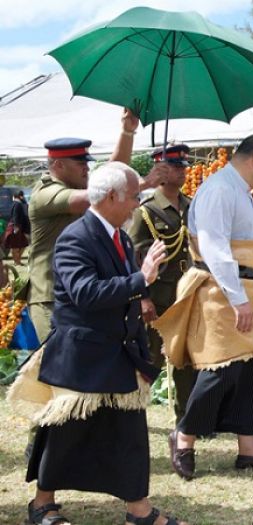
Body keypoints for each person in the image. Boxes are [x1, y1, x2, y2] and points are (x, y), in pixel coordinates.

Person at [9, 162, 187, 525]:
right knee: (65, 434)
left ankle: (139, 511)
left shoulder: (120, 237)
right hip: (82, 355)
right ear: (111, 197)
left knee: (130, 433)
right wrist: (141, 278)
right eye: (135, 196)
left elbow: (124, 292)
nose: (138, 204)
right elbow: (85, 293)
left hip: (118, 352)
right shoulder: (75, 238)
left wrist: (143, 284)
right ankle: (42, 505)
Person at [153, 135, 253, 480]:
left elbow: (252, 221)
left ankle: (249, 450)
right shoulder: (219, 189)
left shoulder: (236, 189)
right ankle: (184, 437)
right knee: (220, 369)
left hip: (245, 287)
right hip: (222, 290)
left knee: (250, 369)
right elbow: (215, 247)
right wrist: (237, 299)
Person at [27, 108, 163, 343]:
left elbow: (111, 177)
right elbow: (100, 193)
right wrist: (142, 184)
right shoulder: (44, 194)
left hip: (87, 291)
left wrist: (127, 132)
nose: (87, 168)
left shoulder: (103, 196)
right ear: (58, 165)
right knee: (59, 367)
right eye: (79, 163)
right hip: (51, 297)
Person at [127, 144, 196, 424]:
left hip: (186, 295)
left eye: (183, 167)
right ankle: (132, 416)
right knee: (149, 360)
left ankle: (188, 420)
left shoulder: (191, 205)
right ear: (161, 171)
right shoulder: (146, 211)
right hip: (156, 298)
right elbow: (134, 258)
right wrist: (142, 298)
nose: (182, 172)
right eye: (175, 167)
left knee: (186, 359)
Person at [4, 190, 31, 265]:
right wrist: (16, 227)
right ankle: (17, 261)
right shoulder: (17, 204)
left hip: (18, 227)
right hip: (15, 226)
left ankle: (17, 260)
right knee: (15, 246)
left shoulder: (19, 204)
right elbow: (15, 216)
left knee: (23, 244)